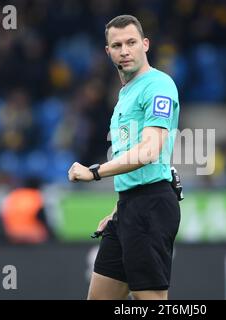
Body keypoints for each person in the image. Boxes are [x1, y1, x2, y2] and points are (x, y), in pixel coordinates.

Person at [67, 15, 181, 300]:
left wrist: (95, 172)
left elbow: (149, 151)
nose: (124, 50)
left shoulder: (158, 86)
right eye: (116, 45)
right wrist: (121, 211)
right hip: (130, 207)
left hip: (150, 209)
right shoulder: (125, 94)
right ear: (108, 52)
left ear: (145, 44)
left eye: (131, 42)